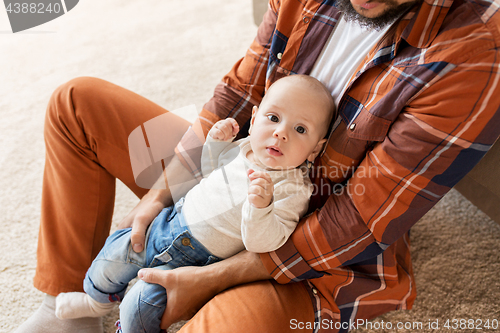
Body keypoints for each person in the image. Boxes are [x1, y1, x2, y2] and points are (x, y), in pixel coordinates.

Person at [14, 0, 500, 332]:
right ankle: (69, 311)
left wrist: (211, 277)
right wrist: (157, 200)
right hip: (225, 178)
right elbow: (237, 96)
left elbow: (358, 221)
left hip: (316, 258)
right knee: (76, 103)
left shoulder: (472, 55)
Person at [52, 75, 335, 333]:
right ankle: (96, 301)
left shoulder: (292, 189)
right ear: (255, 115)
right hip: (168, 224)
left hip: (199, 263)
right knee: (114, 253)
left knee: (140, 304)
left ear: (316, 148)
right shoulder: (243, 147)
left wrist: (261, 207)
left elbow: (264, 243)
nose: (281, 133)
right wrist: (215, 144)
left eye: (300, 129)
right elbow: (209, 173)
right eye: (273, 117)